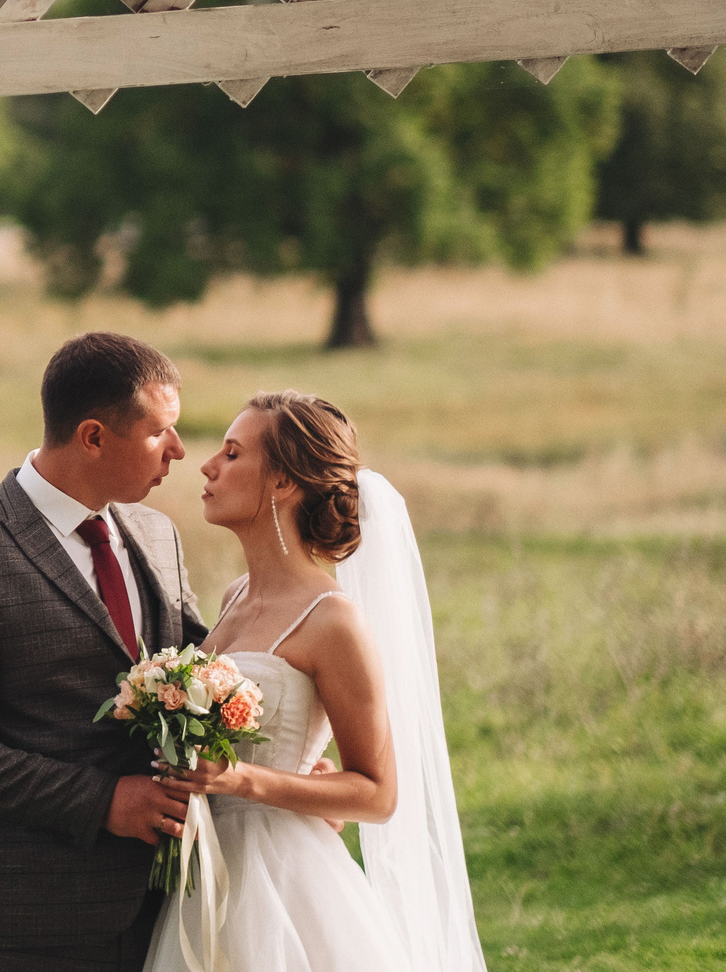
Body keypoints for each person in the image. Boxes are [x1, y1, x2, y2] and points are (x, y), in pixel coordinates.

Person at [0, 331, 207, 971]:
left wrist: (284, 762)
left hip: (164, 910)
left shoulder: (157, 532)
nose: (179, 451)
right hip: (21, 922)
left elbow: (207, 676)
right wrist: (101, 802)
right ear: (92, 436)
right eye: (159, 433)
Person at [149, 390, 486, 972]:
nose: (207, 465)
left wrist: (244, 778)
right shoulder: (234, 596)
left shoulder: (332, 621)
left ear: (282, 484)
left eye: (232, 454)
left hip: (283, 880)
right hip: (206, 872)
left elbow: (377, 794)